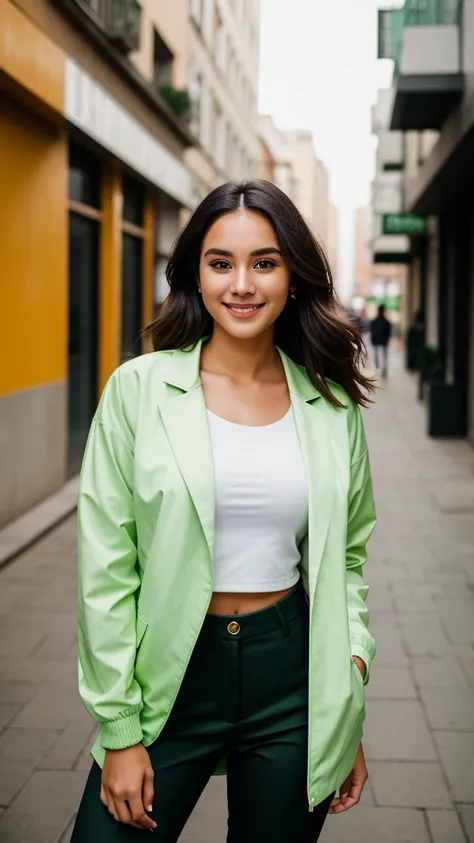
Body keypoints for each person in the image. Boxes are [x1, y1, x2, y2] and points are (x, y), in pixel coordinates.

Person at [71, 180, 376, 843]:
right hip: (168, 680)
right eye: (221, 263)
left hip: (291, 679)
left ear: (292, 275)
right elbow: (105, 567)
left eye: (264, 262)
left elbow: (348, 557)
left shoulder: (330, 406)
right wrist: (119, 729)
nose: (242, 283)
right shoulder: (138, 390)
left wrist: (344, 690)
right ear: (195, 275)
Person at [370, 304, 392, 377]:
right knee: (384, 356)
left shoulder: (374, 321)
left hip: (376, 341)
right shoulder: (386, 322)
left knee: (377, 356)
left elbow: (372, 332)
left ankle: (377, 369)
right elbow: (388, 333)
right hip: (383, 341)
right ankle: (384, 370)